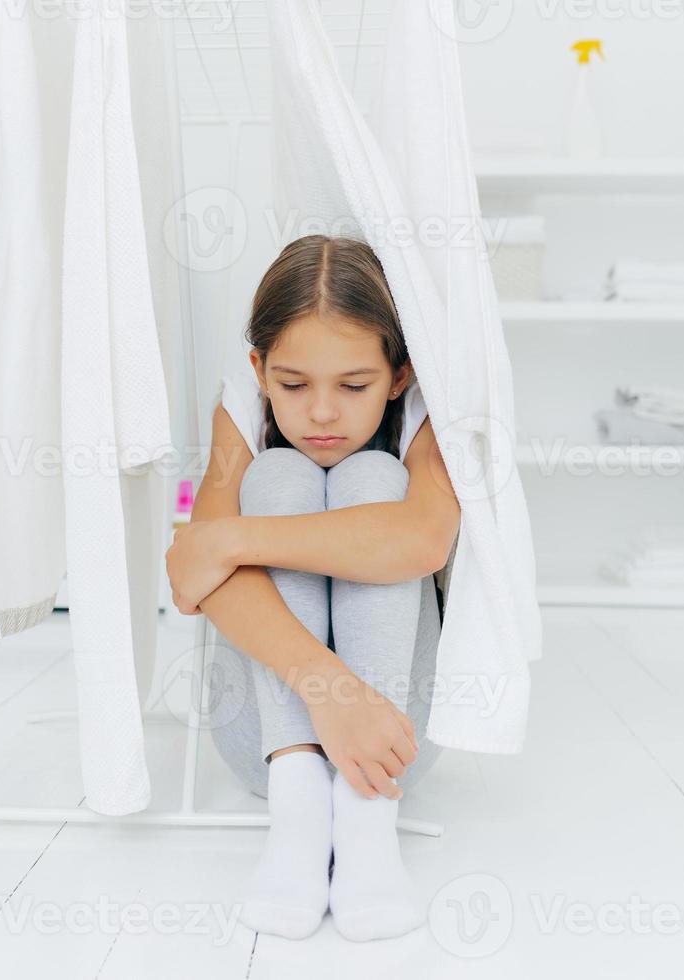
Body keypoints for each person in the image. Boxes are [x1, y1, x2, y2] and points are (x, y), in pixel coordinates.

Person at [164, 234, 461, 942]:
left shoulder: (427, 405)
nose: (322, 414)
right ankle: (300, 819)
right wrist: (329, 692)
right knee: (278, 476)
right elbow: (186, 580)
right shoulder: (243, 402)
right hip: (266, 745)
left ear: (398, 376)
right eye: (293, 386)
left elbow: (422, 539)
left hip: (394, 742)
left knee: (375, 481)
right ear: (260, 368)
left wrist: (231, 538)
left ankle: (366, 824)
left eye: (353, 386)